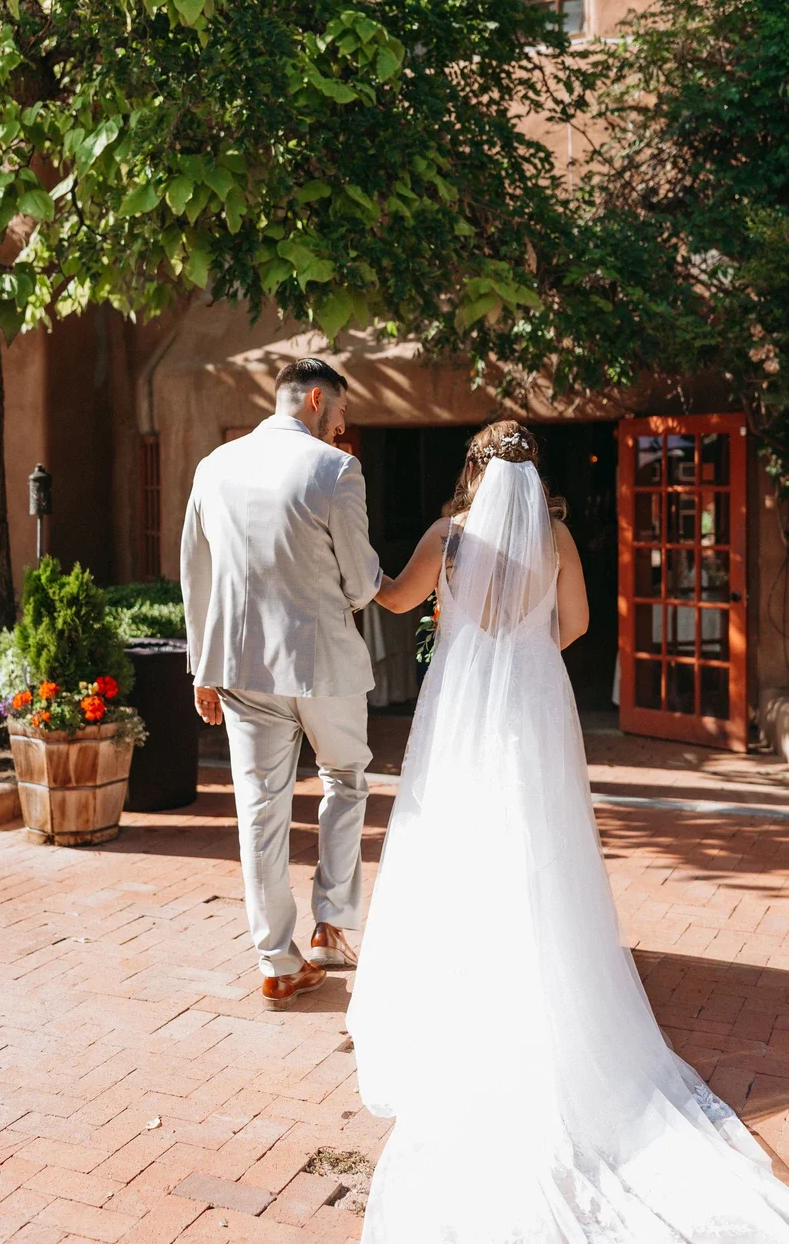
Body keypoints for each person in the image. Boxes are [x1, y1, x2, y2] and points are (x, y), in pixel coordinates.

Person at [347, 421, 789, 1243]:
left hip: (460, 708)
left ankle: (456, 986)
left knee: (452, 839)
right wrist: (520, 648)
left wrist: (369, 570)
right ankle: (545, 975)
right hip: (532, 704)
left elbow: (396, 599)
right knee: (537, 844)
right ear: (532, 473)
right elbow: (579, 622)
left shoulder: (449, 535)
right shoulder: (553, 534)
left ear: (474, 468)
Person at [180, 358, 382, 1011]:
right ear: (316, 399)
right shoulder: (335, 470)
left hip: (242, 667)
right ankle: (329, 925)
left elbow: (195, 573)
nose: (340, 429)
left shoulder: (213, 466)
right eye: (340, 416)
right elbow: (359, 582)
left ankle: (277, 960)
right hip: (324, 661)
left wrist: (202, 665)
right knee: (344, 780)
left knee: (259, 811)